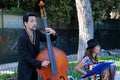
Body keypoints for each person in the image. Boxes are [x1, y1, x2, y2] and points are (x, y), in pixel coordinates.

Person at [17, 12, 57, 80]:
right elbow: (25, 56)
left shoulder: (37, 33)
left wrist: (53, 33)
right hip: (25, 71)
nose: (35, 23)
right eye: (31, 21)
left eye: (35, 21)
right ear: (25, 23)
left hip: (34, 70)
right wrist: (40, 63)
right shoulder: (22, 37)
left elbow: (47, 39)